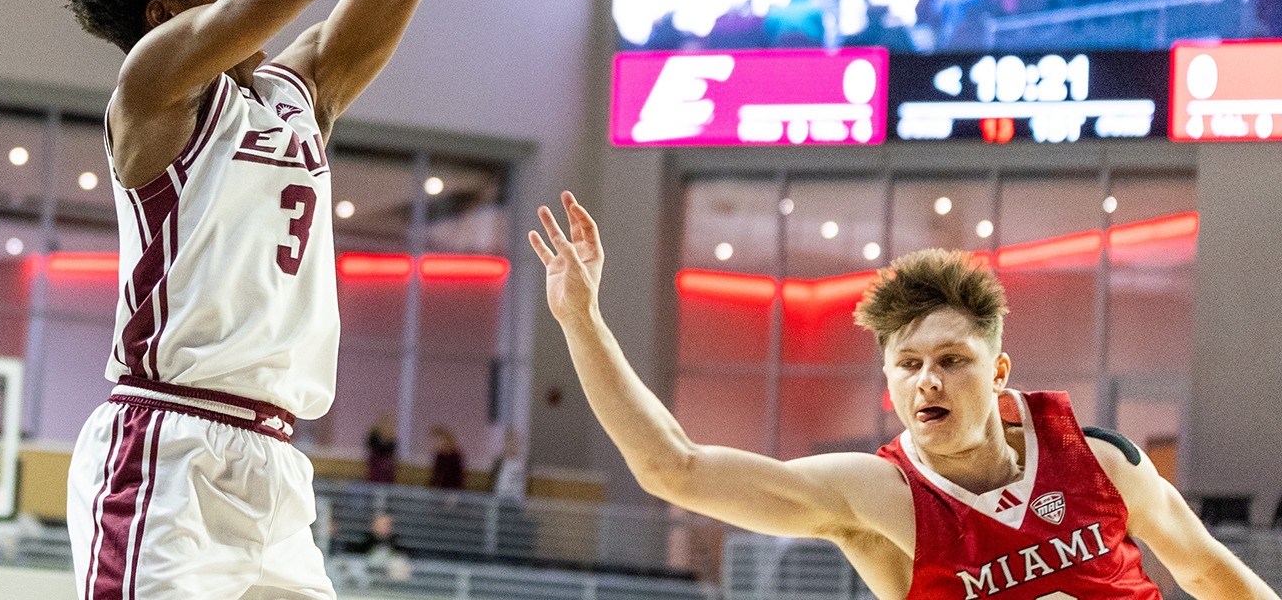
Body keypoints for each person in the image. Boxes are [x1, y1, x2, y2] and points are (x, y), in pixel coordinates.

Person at [60, 0, 650, 600]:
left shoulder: (301, 91)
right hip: (166, 448)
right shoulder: (153, 92)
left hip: (274, 463)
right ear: (164, 17)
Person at [528, 191, 1279, 600]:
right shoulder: (876, 496)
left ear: (999, 371)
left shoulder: (1098, 459)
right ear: (889, 382)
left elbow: (1211, 573)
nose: (929, 379)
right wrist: (581, 319)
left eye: (953, 359)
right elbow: (675, 469)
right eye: (909, 363)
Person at [428, 425, 467, 490]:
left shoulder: (455, 457)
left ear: (446, 441)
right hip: (439, 491)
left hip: (453, 491)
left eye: (438, 441)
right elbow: (436, 477)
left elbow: (458, 479)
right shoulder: (439, 456)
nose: (434, 444)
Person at [366, 415, 399, 484]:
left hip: (387, 478)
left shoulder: (391, 444)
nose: (386, 427)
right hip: (375, 477)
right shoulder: (374, 441)